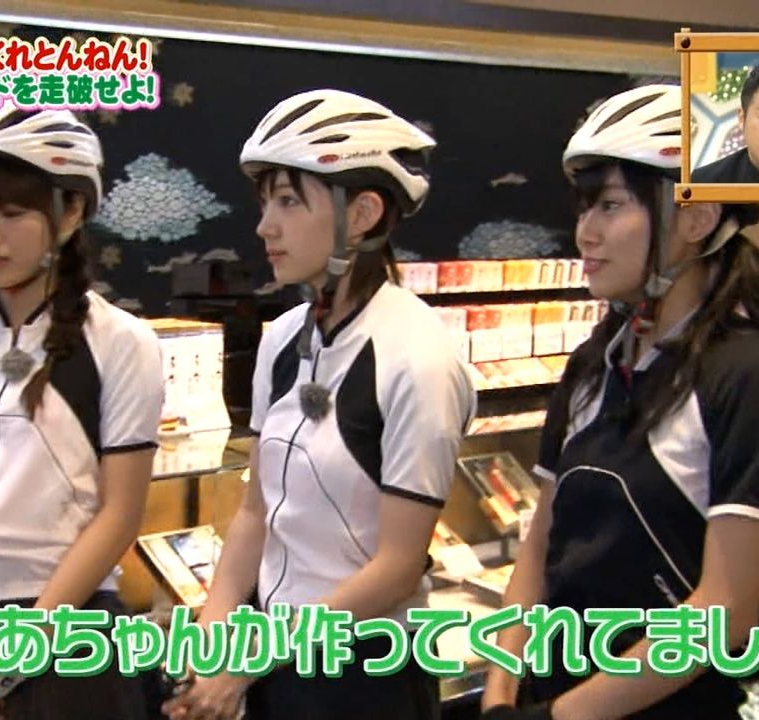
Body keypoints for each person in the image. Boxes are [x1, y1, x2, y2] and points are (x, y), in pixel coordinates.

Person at [480, 84, 759, 720]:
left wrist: (559, 717)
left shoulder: (752, 376)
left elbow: (726, 609)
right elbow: (539, 548)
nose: (586, 232)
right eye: (585, 208)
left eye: (610, 205)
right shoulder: (594, 363)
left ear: (696, 215)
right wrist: (500, 694)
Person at [162, 88, 476, 720]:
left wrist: (248, 664)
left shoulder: (418, 358)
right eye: (265, 202)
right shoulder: (283, 339)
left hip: (365, 674)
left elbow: (398, 565)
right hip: (276, 661)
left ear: (361, 213)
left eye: (288, 200)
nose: (265, 226)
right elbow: (255, 512)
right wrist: (211, 642)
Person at [0, 100, 163, 720]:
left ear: (71, 212)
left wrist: (23, 649)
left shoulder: (122, 343)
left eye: (12, 214)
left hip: (69, 635)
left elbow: (120, 513)